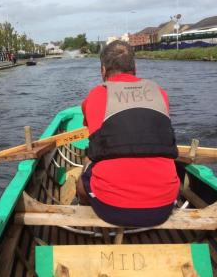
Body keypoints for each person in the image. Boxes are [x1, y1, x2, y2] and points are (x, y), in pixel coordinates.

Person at [76, 40, 180, 227]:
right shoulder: (159, 92)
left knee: (86, 166)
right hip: (163, 207)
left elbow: (92, 131)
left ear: (103, 70)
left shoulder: (95, 95)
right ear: (135, 67)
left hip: (110, 208)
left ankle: (86, 214)